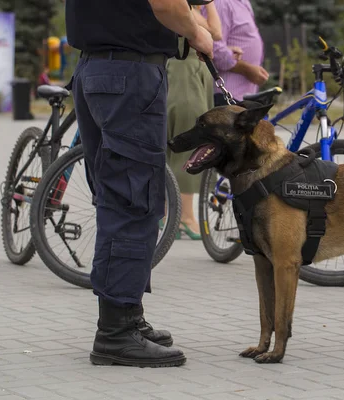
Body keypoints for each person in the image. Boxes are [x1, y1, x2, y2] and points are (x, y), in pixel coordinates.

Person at [65, 0, 213, 368]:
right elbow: (164, 3)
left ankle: (126, 315)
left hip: (98, 68)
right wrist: (196, 31)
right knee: (134, 200)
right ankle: (116, 332)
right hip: (129, 73)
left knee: (119, 198)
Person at [166, 3, 221, 240]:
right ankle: (185, 217)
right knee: (188, 149)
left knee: (179, 150)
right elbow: (214, 32)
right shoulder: (181, 8)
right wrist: (210, 4)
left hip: (191, 78)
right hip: (185, 82)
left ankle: (170, 213)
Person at [202, 0, 269, 105]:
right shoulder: (221, 3)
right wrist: (247, 70)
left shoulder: (243, 2)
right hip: (225, 94)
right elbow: (214, 47)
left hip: (242, 95)